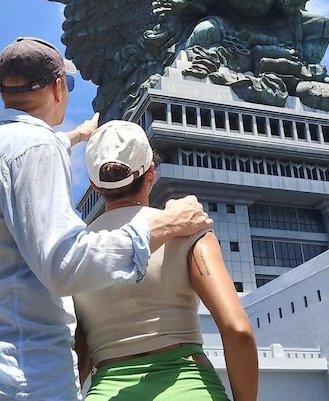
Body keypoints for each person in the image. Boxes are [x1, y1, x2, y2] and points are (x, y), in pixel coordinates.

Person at [0, 37, 212, 401]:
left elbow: (11, 162)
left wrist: (75, 137)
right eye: (68, 84)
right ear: (57, 87)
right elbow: (63, 264)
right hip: (20, 375)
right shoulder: (37, 148)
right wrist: (166, 222)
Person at [73, 121, 258, 401]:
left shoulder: (77, 251)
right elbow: (238, 330)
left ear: (94, 185)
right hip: (190, 389)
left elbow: (80, 351)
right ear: (151, 173)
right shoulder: (186, 224)